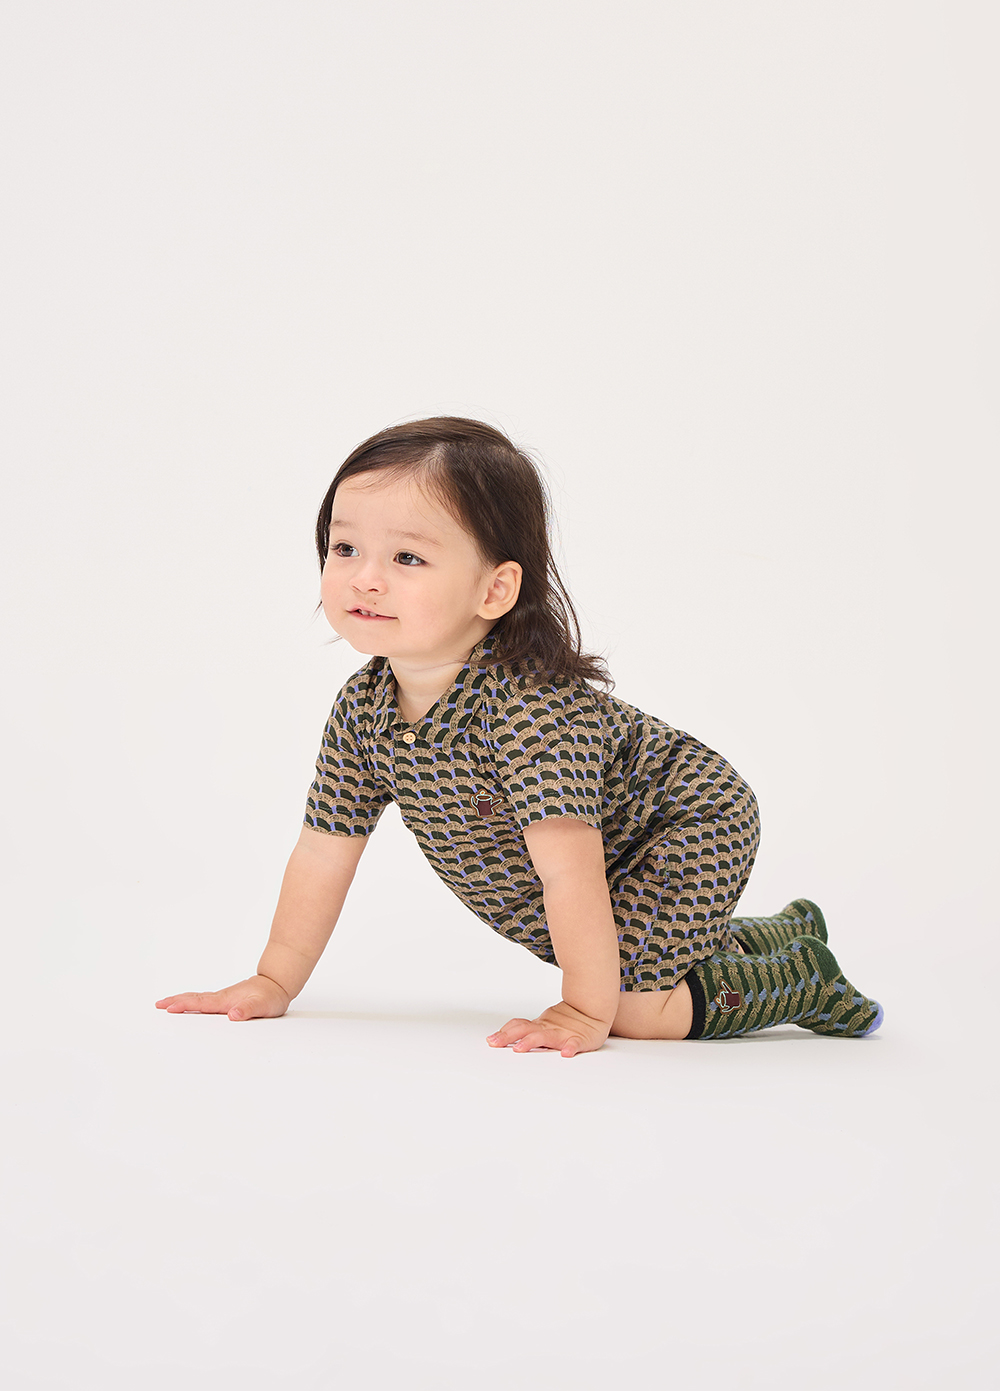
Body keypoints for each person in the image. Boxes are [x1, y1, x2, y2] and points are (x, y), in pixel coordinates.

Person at [156, 417, 883, 1056]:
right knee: (631, 956)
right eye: (344, 548)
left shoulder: (529, 712)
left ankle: (802, 979)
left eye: (407, 558)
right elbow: (323, 852)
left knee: (635, 1010)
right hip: (596, 860)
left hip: (684, 821)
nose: (365, 579)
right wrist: (274, 979)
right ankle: (773, 933)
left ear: (495, 590)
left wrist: (585, 1010)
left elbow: (570, 873)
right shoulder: (362, 710)